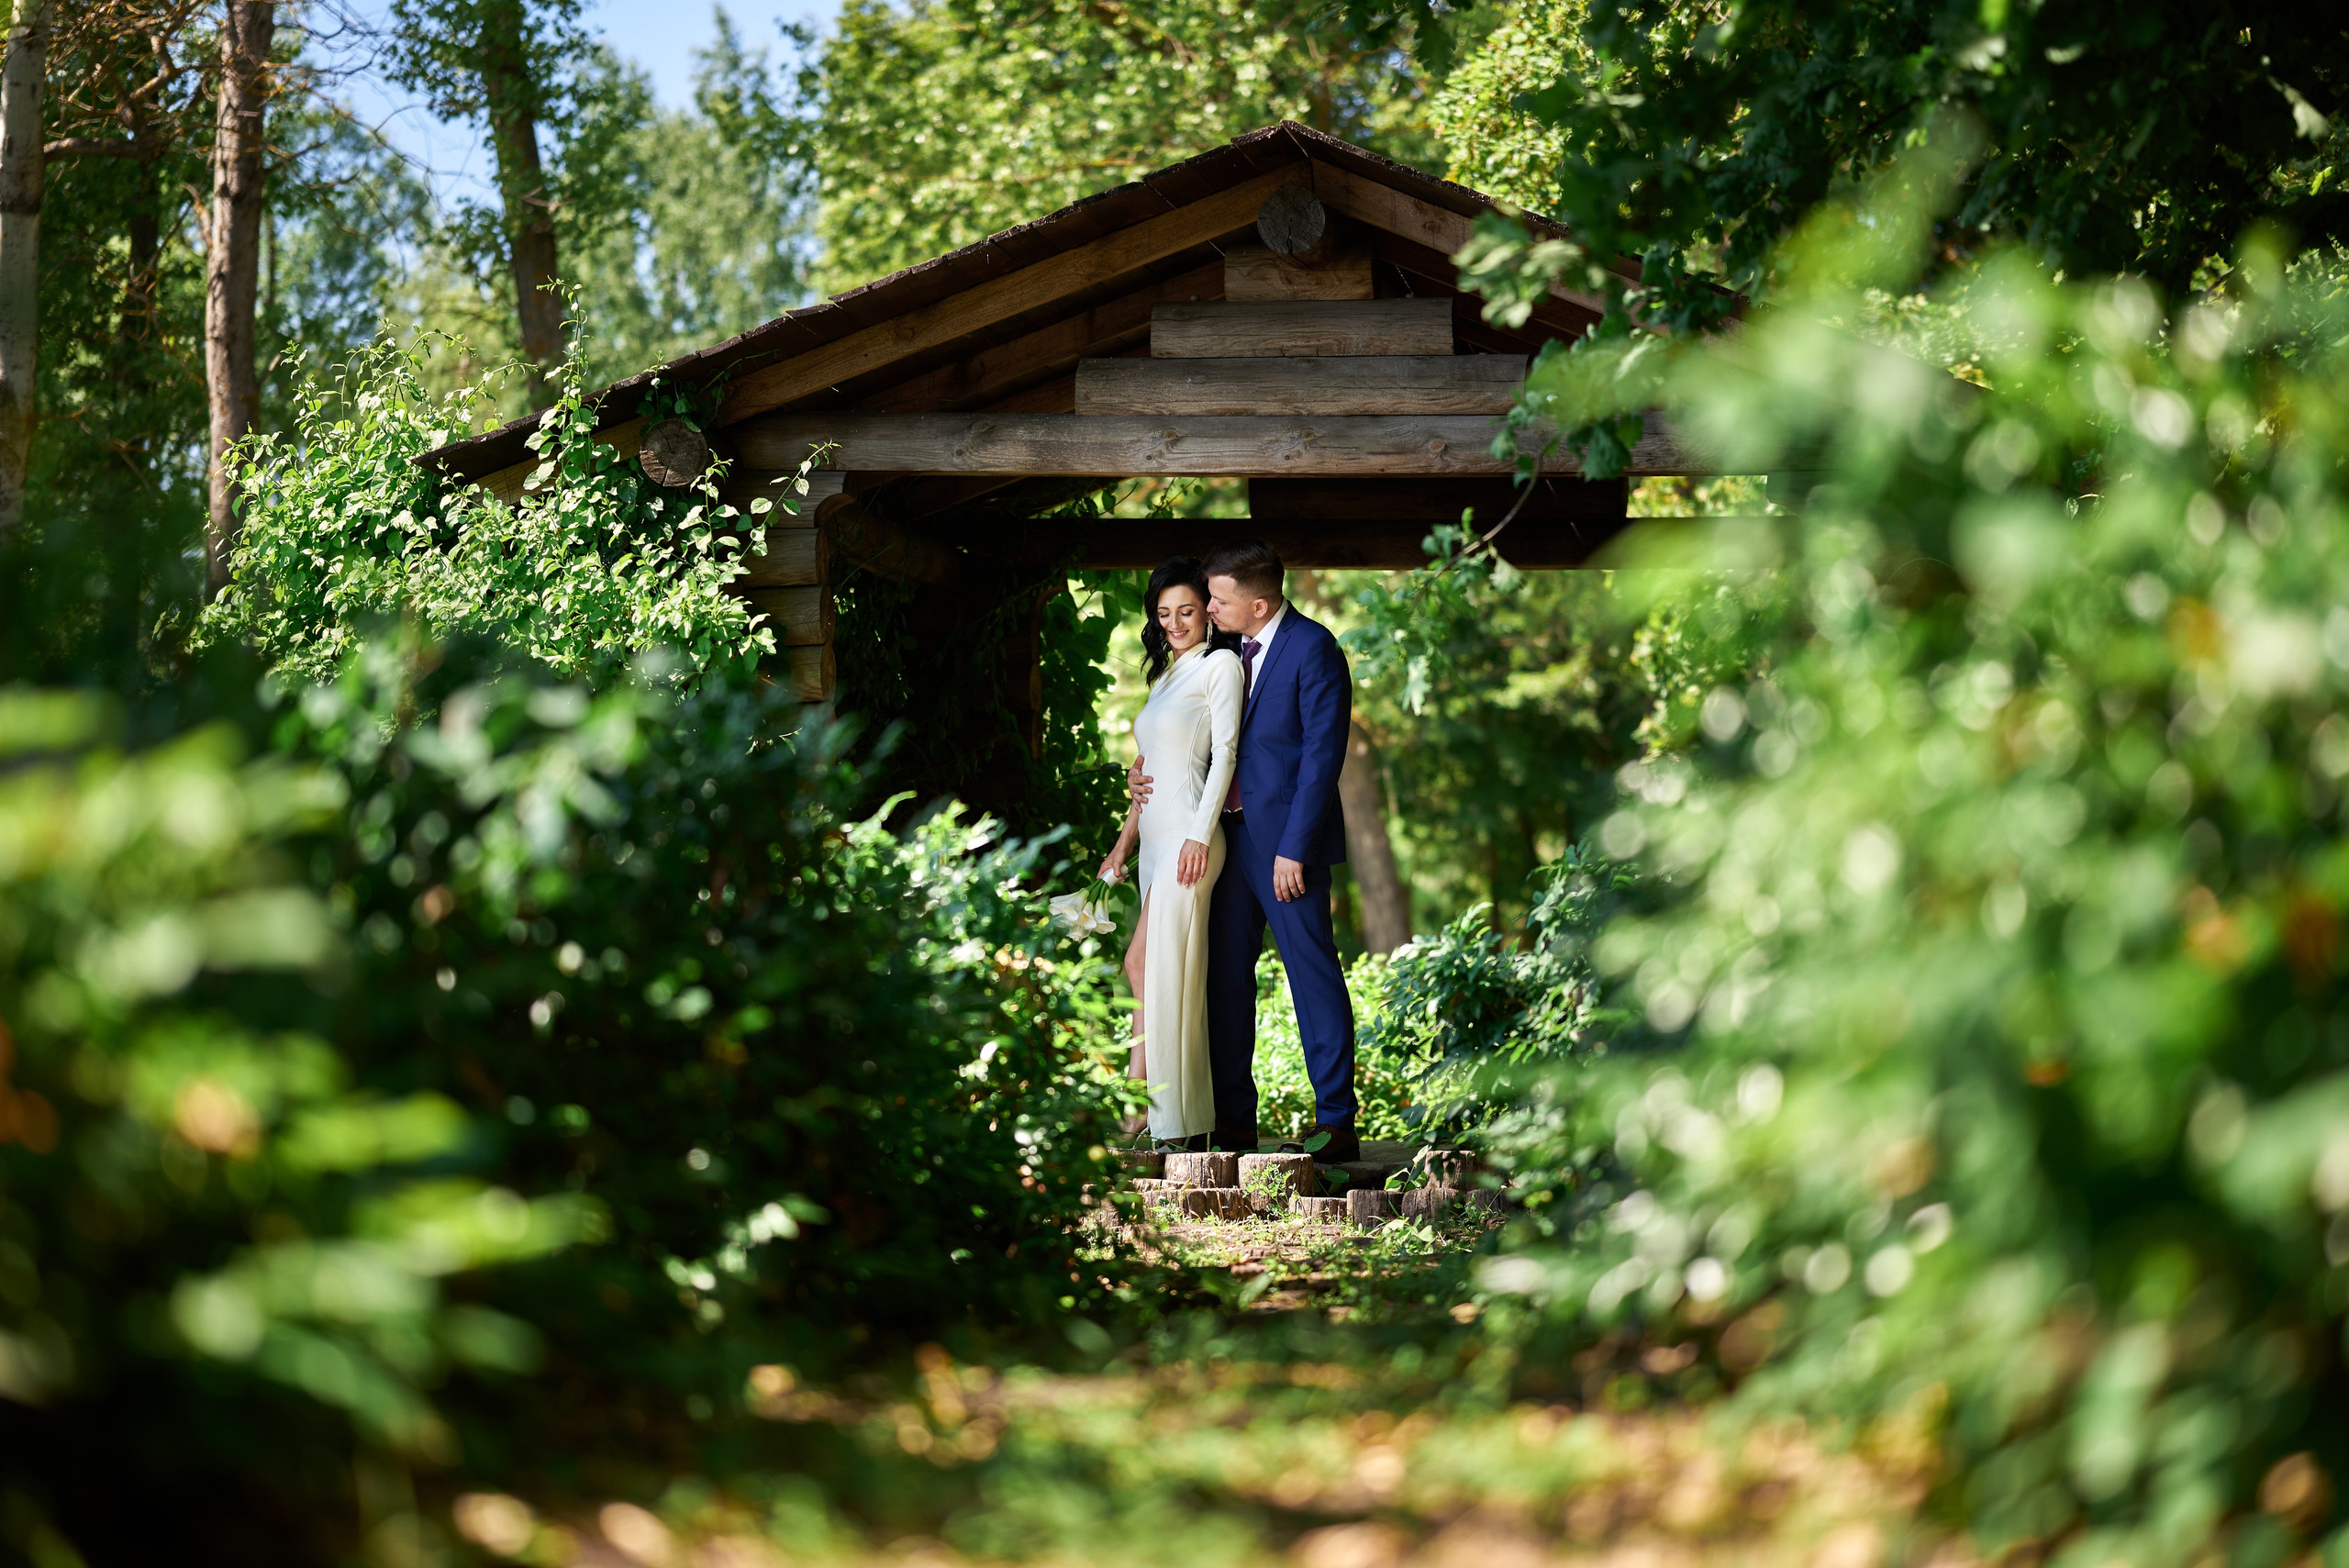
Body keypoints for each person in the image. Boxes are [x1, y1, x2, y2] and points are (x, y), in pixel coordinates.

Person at [1128, 539, 1359, 1164]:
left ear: (1258, 604)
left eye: (1219, 599)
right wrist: (1143, 776)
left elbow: (1320, 758)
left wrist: (1296, 849)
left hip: (1287, 848)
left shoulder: (1315, 649)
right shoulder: (1221, 652)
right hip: (1224, 841)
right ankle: (1233, 1117)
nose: (1208, 606)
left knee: (1312, 971)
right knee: (1225, 976)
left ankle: (1336, 1120)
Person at [1097, 558, 1244, 1151]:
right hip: (1155, 841)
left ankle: (1162, 1117)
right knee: (1144, 969)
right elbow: (1146, 776)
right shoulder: (1162, 681)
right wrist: (1123, 839)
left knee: (1157, 970)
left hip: (1190, 837)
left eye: (1186, 610)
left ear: (1205, 611)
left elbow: (1227, 753)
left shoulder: (1220, 666)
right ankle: (1149, 1112)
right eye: (1164, 614)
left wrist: (1199, 834)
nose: (1176, 622)